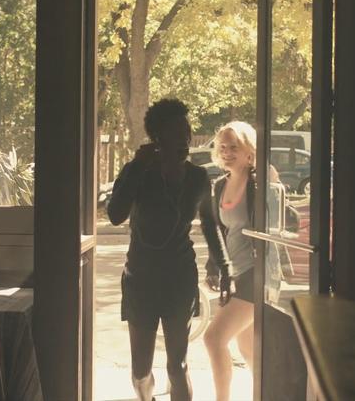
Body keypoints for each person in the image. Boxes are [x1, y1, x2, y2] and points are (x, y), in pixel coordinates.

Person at [108, 99, 232, 401]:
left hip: (179, 277)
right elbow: (115, 214)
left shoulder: (197, 177)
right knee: (140, 369)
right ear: (158, 135)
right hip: (141, 277)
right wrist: (138, 166)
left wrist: (225, 267)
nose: (185, 135)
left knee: (177, 365)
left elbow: (210, 223)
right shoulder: (137, 171)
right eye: (177, 129)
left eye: (185, 128)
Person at [203, 121, 282, 401]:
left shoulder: (259, 183)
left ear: (250, 151)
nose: (226, 152)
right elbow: (221, 231)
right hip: (234, 274)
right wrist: (214, 266)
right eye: (222, 147)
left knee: (213, 340)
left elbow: (278, 223)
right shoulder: (219, 186)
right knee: (248, 349)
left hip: (256, 274)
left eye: (233, 147)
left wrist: (270, 183)